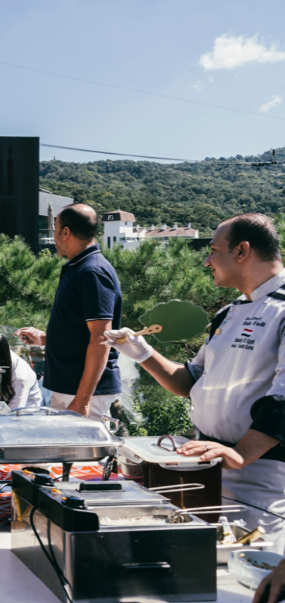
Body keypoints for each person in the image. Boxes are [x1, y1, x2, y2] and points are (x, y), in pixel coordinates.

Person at [106, 214, 285, 554]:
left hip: (261, 476)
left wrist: (240, 453)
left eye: (214, 250)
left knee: (251, 569)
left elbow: (283, 402)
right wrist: (140, 351)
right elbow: (190, 381)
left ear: (242, 251)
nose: (207, 260)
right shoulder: (229, 313)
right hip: (207, 465)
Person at [15, 204, 122, 420]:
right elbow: (81, 332)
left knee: (78, 454)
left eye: (55, 230)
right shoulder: (80, 267)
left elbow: (101, 339)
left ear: (66, 232)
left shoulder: (92, 271)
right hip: (69, 388)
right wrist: (45, 338)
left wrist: (82, 401)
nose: (53, 237)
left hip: (83, 393)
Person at [0, 332, 41, 410]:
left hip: (24, 413)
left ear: (2, 359)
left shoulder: (20, 376)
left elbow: (14, 410)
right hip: (2, 406)